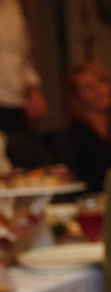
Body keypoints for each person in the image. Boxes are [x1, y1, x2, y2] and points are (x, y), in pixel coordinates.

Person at [63, 61, 111, 193]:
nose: (100, 90)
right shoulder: (78, 136)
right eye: (88, 87)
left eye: (102, 81)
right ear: (77, 97)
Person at [0, 0, 52, 168]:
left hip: (15, 103)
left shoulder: (13, 5)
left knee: (25, 169)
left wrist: (33, 89)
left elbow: (23, 57)